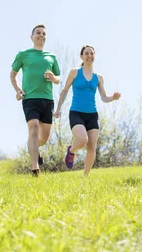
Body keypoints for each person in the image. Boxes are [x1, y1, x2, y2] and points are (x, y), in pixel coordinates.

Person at [54, 45, 121, 175]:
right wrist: (58, 108)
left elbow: (104, 98)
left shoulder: (99, 77)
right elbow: (65, 90)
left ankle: (86, 177)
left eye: (92, 53)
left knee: (92, 146)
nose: (89, 56)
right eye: (86, 53)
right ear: (81, 56)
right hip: (76, 112)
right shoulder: (75, 72)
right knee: (82, 139)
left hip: (92, 115)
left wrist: (113, 98)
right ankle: (71, 150)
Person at [10, 24, 61, 176]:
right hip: (30, 98)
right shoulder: (23, 54)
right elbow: (13, 74)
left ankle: (35, 150)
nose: (41, 35)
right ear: (32, 37)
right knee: (33, 129)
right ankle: (35, 168)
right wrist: (18, 90)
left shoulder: (51, 57)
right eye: (38, 33)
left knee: (43, 138)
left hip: (47, 99)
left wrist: (54, 78)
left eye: (43, 33)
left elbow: (58, 78)